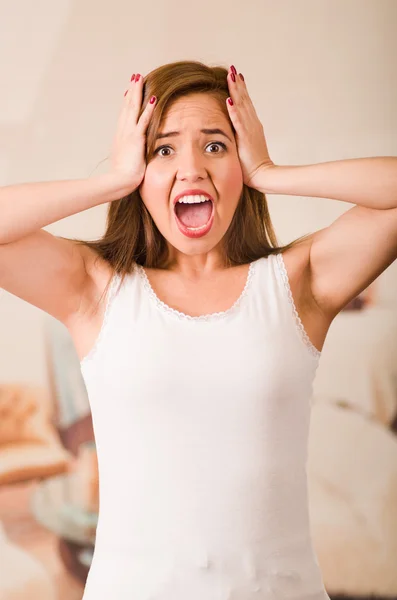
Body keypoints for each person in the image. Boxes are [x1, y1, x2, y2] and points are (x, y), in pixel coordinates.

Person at [1, 59, 396, 600]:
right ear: (141, 169)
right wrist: (111, 181)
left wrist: (274, 173)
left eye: (215, 145)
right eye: (163, 149)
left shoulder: (297, 284)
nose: (190, 169)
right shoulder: (95, 290)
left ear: (241, 164)